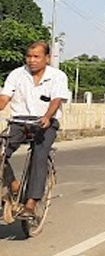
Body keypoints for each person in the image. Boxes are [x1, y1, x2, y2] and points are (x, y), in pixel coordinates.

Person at [0, 40, 69, 219]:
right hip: (18, 122)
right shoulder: (16, 74)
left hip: (45, 122)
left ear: (47, 58)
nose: (32, 60)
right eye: (29, 56)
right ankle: (14, 186)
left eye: (36, 56)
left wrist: (47, 117)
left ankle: (31, 203)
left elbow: (56, 100)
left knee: (39, 155)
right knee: (1, 151)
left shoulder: (57, 76)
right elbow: (4, 98)